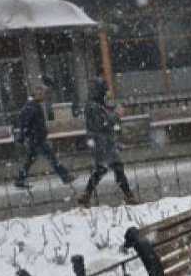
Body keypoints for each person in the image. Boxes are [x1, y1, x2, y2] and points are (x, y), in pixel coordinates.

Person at [76, 78, 137, 207]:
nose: (106, 94)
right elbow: (101, 123)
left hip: (104, 143)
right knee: (114, 168)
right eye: (104, 91)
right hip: (102, 144)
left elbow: (104, 121)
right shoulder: (93, 106)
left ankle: (87, 194)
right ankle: (128, 196)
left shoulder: (96, 104)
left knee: (103, 169)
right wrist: (116, 114)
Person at [14, 86, 73, 188]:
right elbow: (25, 123)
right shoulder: (31, 106)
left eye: (44, 94)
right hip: (37, 139)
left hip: (35, 138)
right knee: (52, 158)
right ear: (35, 94)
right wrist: (26, 135)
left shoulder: (33, 105)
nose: (43, 97)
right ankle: (65, 176)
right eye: (41, 94)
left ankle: (20, 180)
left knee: (30, 161)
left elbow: (26, 124)